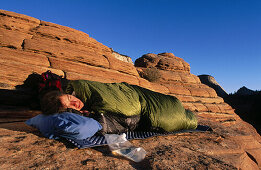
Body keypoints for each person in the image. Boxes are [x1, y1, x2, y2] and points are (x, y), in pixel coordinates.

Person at [40, 79, 198, 134]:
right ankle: (188, 116)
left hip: (135, 97)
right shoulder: (84, 113)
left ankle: (187, 115)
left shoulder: (81, 87)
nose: (76, 102)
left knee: (167, 114)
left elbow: (127, 109)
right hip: (144, 107)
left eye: (70, 97)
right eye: (71, 106)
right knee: (168, 119)